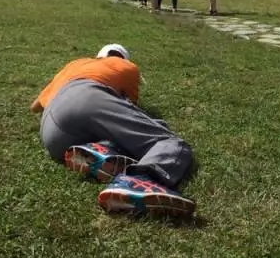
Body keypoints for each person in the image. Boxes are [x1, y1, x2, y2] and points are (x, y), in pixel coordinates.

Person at [29, 43, 196, 217]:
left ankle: (102, 149)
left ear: (99, 55)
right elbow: (130, 106)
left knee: (109, 129)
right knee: (170, 142)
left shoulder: (74, 64)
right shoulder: (126, 66)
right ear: (123, 58)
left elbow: (34, 107)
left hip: (51, 133)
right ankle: (139, 180)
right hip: (87, 98)